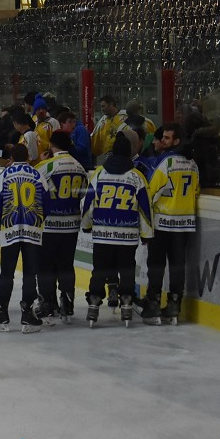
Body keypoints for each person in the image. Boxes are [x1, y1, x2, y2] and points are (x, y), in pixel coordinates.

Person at [82, 136, 152, 327]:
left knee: (99, 270)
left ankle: (95, 300)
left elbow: (88, 204)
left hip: (103, 233)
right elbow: (145, 209)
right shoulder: (137, 177)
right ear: (129, 152)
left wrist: (86, 225)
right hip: (127, 236)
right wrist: (146, 234)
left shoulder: (99, 174)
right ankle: (127, 300)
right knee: (127, 269)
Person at [0, 144, 46, 334]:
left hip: (10, 234)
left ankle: (1, 312)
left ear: (11, 156)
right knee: (29, 274)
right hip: (32, 233)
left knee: (6, 274)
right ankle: (28, 314)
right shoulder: (38, 175)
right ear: (28, 156)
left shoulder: (4, 175)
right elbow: (47, 204)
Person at [143, 123, 200, 325]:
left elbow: (151, 193)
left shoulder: (165, 163)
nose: (163, 141)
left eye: (167, 138)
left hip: (163, 224)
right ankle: (175, 305)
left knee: (156, 265)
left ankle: (153, 305)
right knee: (177, 266)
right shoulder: (193, 164)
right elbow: (195, 192)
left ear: (176, 141)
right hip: (184, 225)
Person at [35, 131, 86, 323]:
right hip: (71, 225)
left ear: (51, 144)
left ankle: (48, 303)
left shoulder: (45, 166)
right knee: (66, 264)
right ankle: (67, 302)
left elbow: (36, 190)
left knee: (45, 265)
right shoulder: (79, 166)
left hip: (49, 226)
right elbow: (83, 195)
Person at [91, 95, 125, 163]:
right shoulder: (103, 120)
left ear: (111, 104)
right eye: (101, 106)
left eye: (103, 106)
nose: (102, 109)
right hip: (108, 156)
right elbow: (95, 137)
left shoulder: (125, 117)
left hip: (123, 155)